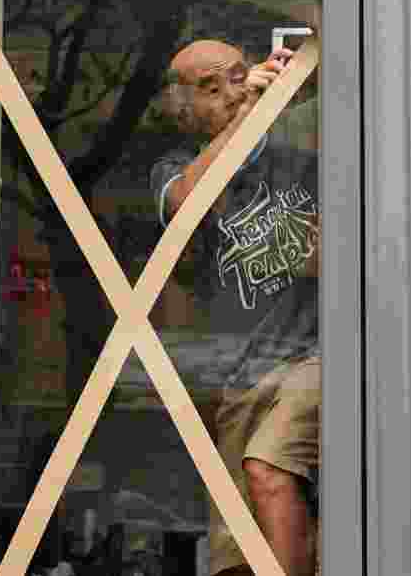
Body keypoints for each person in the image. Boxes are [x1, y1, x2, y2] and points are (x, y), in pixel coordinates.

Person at [150, 34, 321, 576]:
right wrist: (249, 117)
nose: (229, 89)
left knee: (269, 469)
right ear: (185, 108)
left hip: (312, 355)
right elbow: (187, 204)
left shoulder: (298, 152)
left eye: (236, 72)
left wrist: (298, 85)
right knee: (236, 556)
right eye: (209, 85)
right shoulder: (174, 168)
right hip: (238, 377)